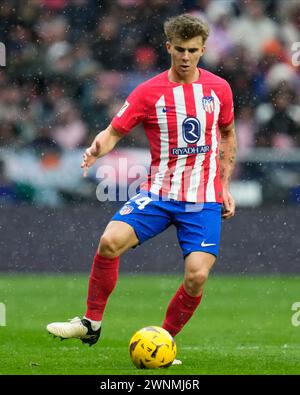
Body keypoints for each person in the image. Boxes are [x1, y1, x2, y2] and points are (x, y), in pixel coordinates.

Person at [47, 14, 237, 363]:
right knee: (109, 242)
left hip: (202, 200)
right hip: (158, 194)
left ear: (203, 50)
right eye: (179, 49)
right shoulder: (148, 92)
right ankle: (91, 323)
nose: (185, 56)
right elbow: (113, 132)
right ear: (168, 47)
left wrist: (224, 185)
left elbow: (227, 134)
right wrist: (96, 149)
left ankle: (163, 340)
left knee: (196, 276)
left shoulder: (219, 89)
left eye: (192, 50)